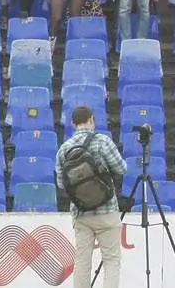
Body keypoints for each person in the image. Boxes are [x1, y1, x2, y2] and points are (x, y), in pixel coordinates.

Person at [57, 105, 127, 288]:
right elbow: (121, 169)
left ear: (73, 124)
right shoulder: (103, 141)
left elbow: (61, 184)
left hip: (81, 213)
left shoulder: (64, 149)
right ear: (92, 120)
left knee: (82, 262)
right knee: (111, 260)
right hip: (107, 210)